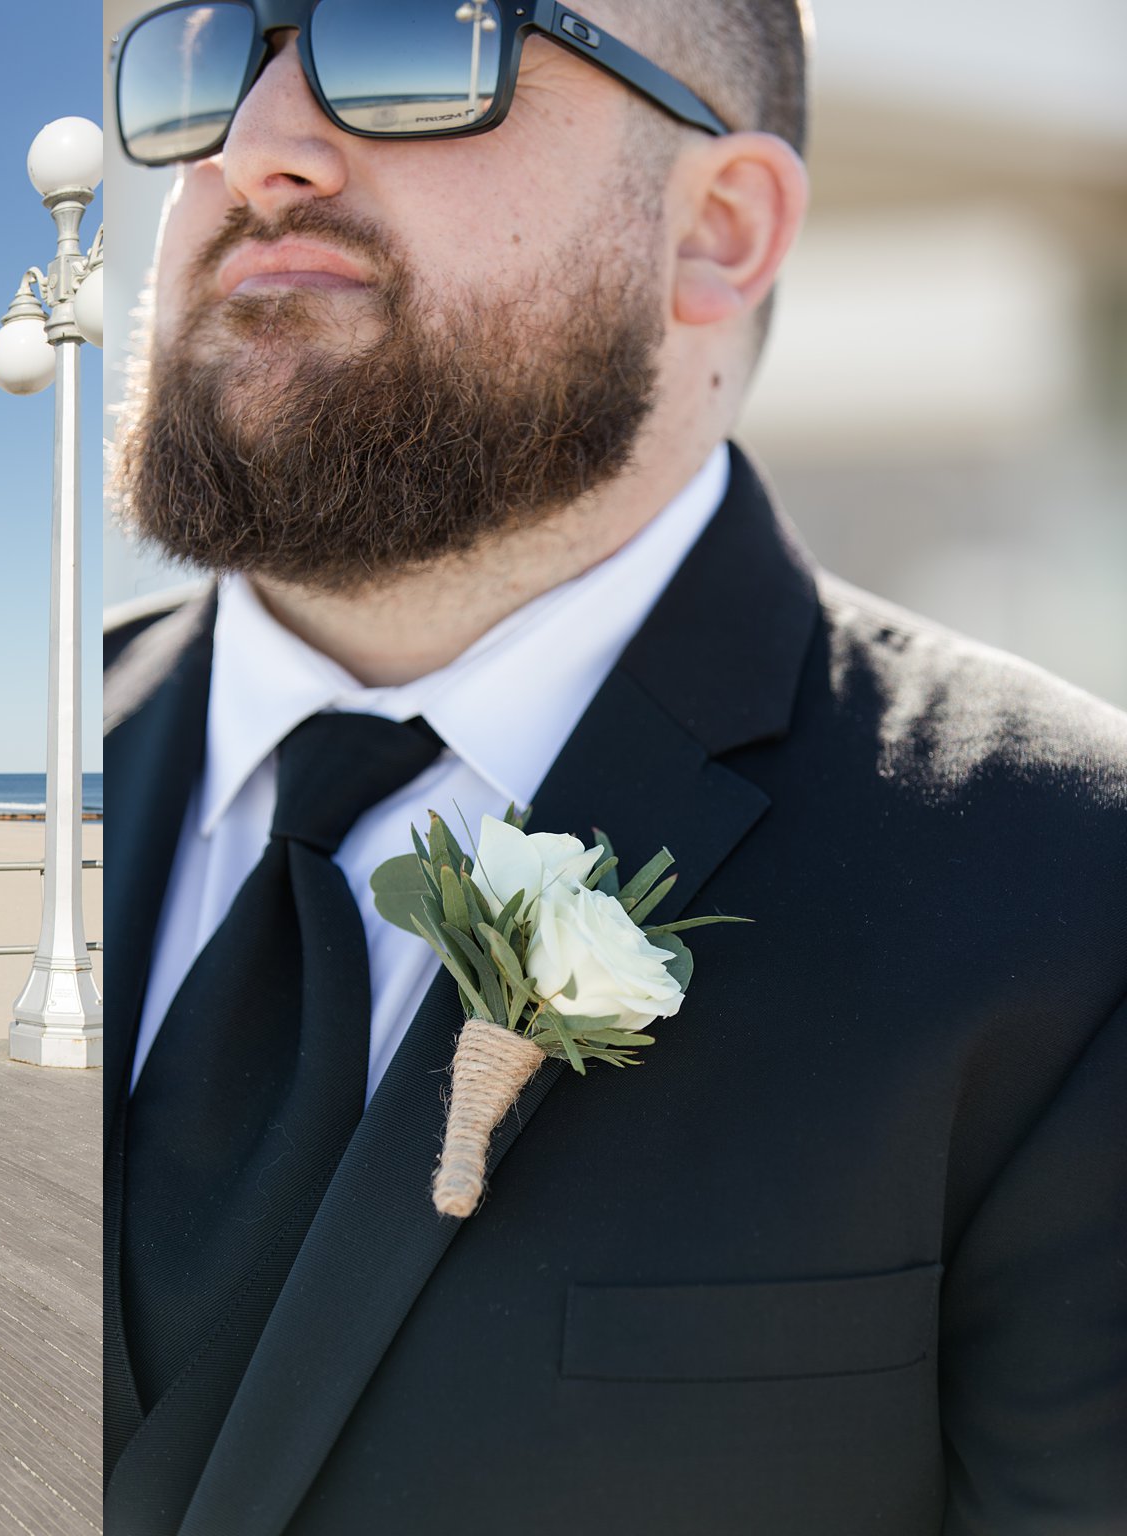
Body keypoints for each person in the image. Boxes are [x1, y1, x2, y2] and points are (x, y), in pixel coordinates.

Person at [101, 2, 1127, 1533]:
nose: (255, 151)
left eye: (411, 39)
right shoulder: (62, 752)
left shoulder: (1068, 884)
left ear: (717, 227)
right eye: (208, 58)